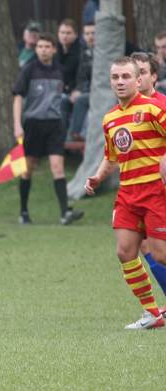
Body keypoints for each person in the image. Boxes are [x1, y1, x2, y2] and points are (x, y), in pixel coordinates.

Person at [84, 57, 166, 329]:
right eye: (115, 77)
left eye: (126, 77)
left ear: (138, 80)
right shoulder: (110, 118)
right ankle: (152, 313)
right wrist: (98, 176)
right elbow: (112, 156)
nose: (120, 82)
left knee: (161, 254)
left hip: (156, 192)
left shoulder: (154, 109)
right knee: (125, 251)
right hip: (128, 194)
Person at [12, 33, 83, 225]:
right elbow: (18, 96)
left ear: (53, 50)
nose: (43, 50)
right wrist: (17, 124)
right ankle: (23, 212)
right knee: (27, 169)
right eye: (40, 47)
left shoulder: (60, 71)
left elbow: (69, 90)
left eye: (47, 47)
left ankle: (65, 213)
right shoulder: (29, 70)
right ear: (36, 49)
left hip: (54, 124)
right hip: (33, 124)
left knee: (57, 167)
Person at [130, 52, 166, 299]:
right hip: (140, 191)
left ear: (154, 76)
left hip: (159, 189)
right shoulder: (126, 109)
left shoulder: (161, 105)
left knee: (157, 247)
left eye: (141, 72)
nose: (136, 77)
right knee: (144, 245)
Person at [67, 22, 95, 141]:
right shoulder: (84, 53)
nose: (90, 36)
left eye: (93, 33)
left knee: (81, 100)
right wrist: (78, 90)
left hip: (103, 92)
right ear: (83, 36)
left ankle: (74, 135)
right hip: (87, 90)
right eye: (87, 34)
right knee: (67, 99)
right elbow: (81, 77)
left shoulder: (104, 53)